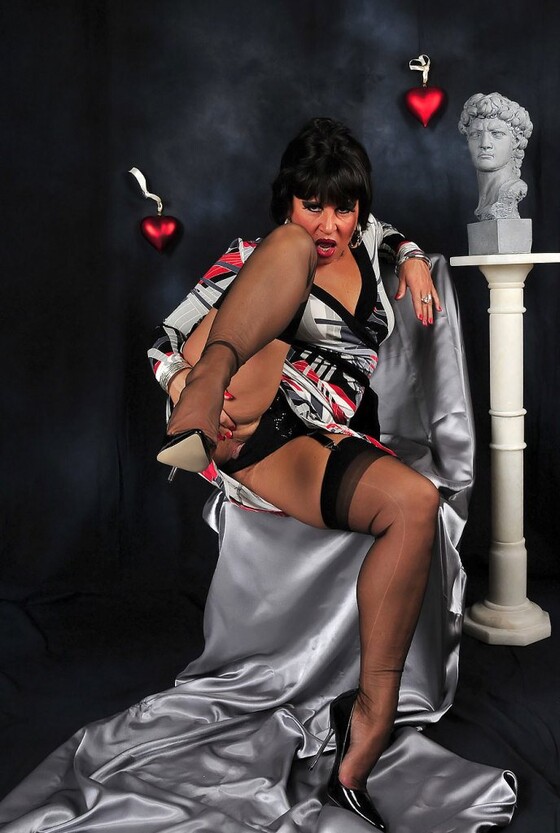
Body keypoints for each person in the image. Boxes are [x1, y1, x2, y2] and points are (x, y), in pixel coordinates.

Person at [149, 117, 442, 831]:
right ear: (287, 200)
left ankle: (368, 721)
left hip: (308, 432)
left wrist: (408, 256)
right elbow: (164, 340)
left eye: (343, 208)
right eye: (312, 205)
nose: (328, 225)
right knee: (285, 256)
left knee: (415, 503)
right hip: (234, 410)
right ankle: (203, 392)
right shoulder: (259, 250)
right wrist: (183, 377)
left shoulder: (370, 244)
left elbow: (386, 232)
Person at [458, 92, 533, 221]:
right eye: (476, 134)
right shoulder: (484, 199)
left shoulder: (511, 191)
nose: (485, 144)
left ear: (516, 140)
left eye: (496, 134)